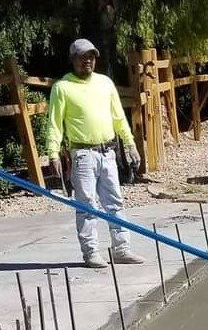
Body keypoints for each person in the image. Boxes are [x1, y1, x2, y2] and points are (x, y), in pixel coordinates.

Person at [40, 38, 143, 268]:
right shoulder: (63, 87)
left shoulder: (105, 83)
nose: (87, 61)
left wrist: (130, 143)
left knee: (115, 201)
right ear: (73, 59)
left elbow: (118, 117)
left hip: (108, 151)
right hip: (83, 154)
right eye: (82, 57)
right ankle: (91, 252)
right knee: (86, 205)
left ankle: (122, 249)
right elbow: (54, 124)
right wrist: (53, 153)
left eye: (91, 56)